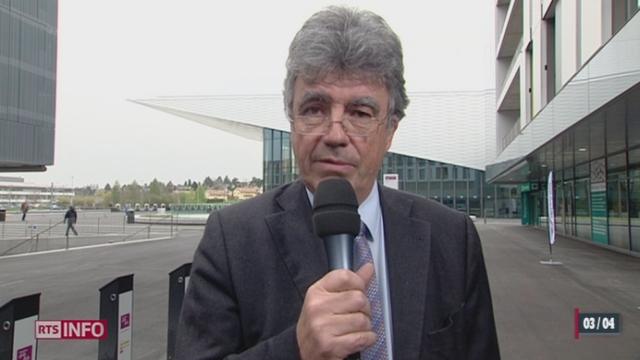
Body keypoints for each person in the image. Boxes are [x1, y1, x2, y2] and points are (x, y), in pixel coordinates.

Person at [176, 6, 500, 359]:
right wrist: (295, 349)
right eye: (315, 109)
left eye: (360, 114)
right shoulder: (232, 239)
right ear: (291, 120)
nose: (335, 134)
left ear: (390, 130)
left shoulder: (453, 238)